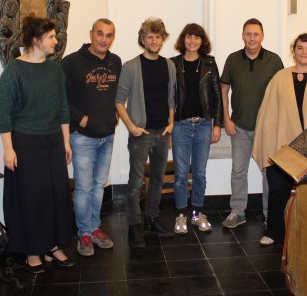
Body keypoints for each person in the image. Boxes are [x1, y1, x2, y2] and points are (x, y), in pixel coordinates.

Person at [0, 15, 75, 273]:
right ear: (36, 39)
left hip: (53, 141)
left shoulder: (55, 70)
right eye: (51, 37)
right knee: (32, 198)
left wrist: (66, 142)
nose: (55, 41)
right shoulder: (14, 71)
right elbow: (3, 114)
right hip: (25, 143)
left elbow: (63, 108)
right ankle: (32, 251)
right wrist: (8, 148)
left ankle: (54, 245)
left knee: (57, 196)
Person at [252, 33, 307, 246]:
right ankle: (274, 232)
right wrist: (268, 143)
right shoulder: (280, 77)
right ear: (294, 51)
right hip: (283, 144)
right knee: (277, 188)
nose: (304, 52)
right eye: (300, 47)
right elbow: (267, 112)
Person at [61, 18, 122, 257]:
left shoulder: (115, 62)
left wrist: (115, 112)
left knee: (99, 185)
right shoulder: (71, 62)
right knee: (84, 187)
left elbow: (118, 92)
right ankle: (84, 233)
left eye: (109, 35)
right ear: (91, 34)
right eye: (100, 33)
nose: (103, 39)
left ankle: (95, 228)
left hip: (107, 135)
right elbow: (61, 97)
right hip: (83, 137)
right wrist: (81, 119)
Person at [115, 17, 177, 248]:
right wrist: (131, 126)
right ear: (143, 39)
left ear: (162, 39)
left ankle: (152, 219)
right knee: (135, 183)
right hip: (141, 134)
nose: (154, 41)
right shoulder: (131, 66)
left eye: (158, 37)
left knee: (158, 180)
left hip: (163, 132)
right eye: (150, 37)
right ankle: (134, 225)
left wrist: (171, 123)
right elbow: (119, 101)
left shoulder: (169, 66)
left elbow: (171, 99)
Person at [220, 18, 284, 229]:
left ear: (262, 36)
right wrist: (226, 119)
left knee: (268, 173)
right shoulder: (233, 59)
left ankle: (269, 216)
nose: (252, 38)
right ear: (243, 36)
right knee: (238, 171)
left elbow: (281, 93)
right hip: (239, 127)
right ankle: (238, 212)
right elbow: (223, 90)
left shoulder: (273, 60)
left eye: (256, 34)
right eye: (248, 34)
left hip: (266, 129)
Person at [170, 24, 223, 235]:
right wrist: (169, 126)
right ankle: (181, 214)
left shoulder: (210, 63)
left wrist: (217, 125)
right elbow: (168, 98)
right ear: (183, 39)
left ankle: (197, 214)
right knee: (181, 174)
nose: (192, 41)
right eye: (189, 36)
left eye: (197, 37)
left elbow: (217, 96)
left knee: (199, 173)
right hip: (180, 126)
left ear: (202, 41)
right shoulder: (173, 64)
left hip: (203, 125)